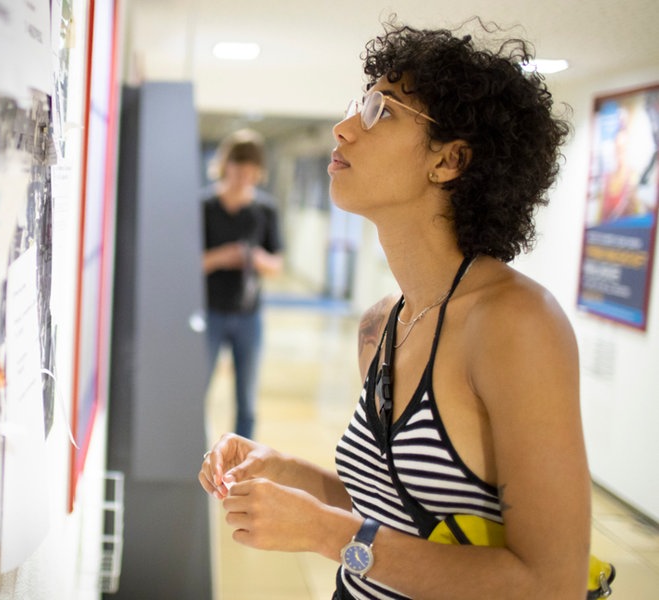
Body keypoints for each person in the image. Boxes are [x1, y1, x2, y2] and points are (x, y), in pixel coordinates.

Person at [198, 20, 592, 599]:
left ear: (450, 160)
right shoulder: (382, 324)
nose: (343, 127)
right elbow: (392, 515)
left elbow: (549, 584)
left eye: (381, 111)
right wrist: (285, 469)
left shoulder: (517, 324)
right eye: (359, 104)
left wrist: (325, 533)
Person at [202, 129, 284, 439]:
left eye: (251, 172)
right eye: (238, 169)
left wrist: (254, 258)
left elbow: (277, 265)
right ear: (225, 166)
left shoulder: (265, 210)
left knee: (247, 401)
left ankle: (242, 463)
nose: (243, 177)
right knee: (198, 391)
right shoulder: (205, 206)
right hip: (209, 312)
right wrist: (224, 257)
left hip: (249, 315)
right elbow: (188, 264)